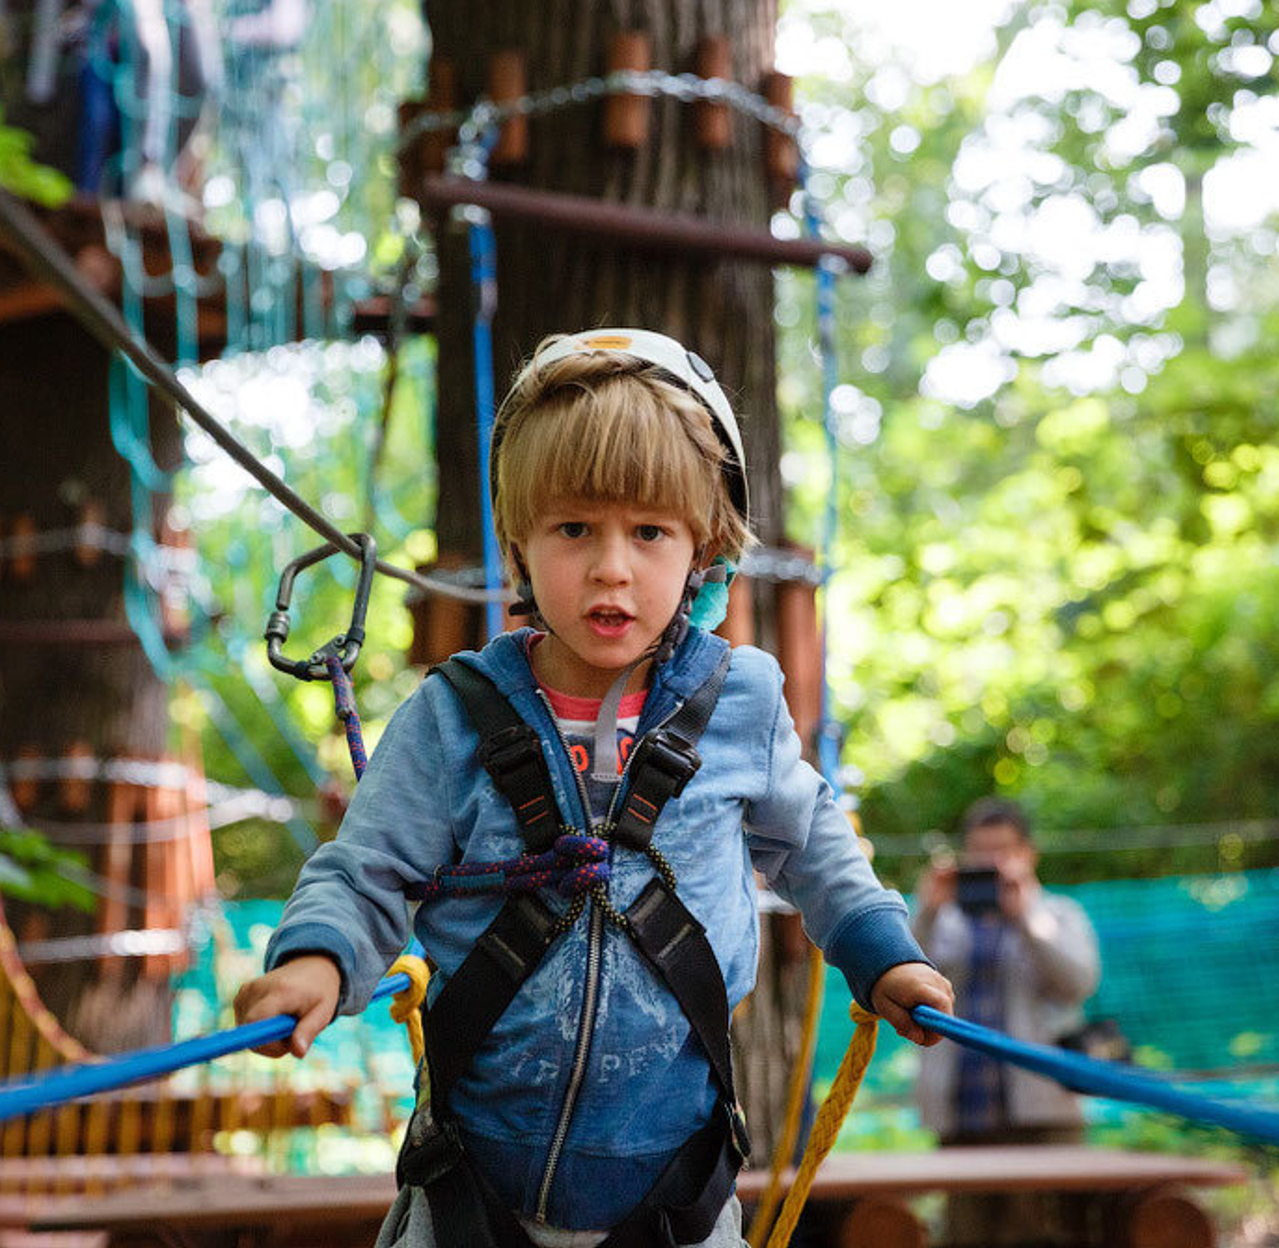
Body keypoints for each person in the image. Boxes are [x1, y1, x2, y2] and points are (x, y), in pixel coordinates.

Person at [234, 327, 954, 1248]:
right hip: (470, 1191)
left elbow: (815, 846)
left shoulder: (737, 705)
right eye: (575, 528)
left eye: (649, 532)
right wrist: (317, 962)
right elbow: (368, 869)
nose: (613, 566)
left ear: (704, 550)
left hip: (672, 1196)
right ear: (521, 544)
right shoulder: (455, 715)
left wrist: (881, 952)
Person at [913, 795, 1101, 1246]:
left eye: (1003, 850)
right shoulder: (947, 921)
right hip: (962, 1117)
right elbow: (904, 975)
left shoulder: (1057, 913)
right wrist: (928, 909)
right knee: (967, 1237)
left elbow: (1079, 982)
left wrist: (1026, 917)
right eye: (980, 851)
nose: (991, 861)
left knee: (1043, 1236)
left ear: (1027, 854)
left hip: (1042, 1115)